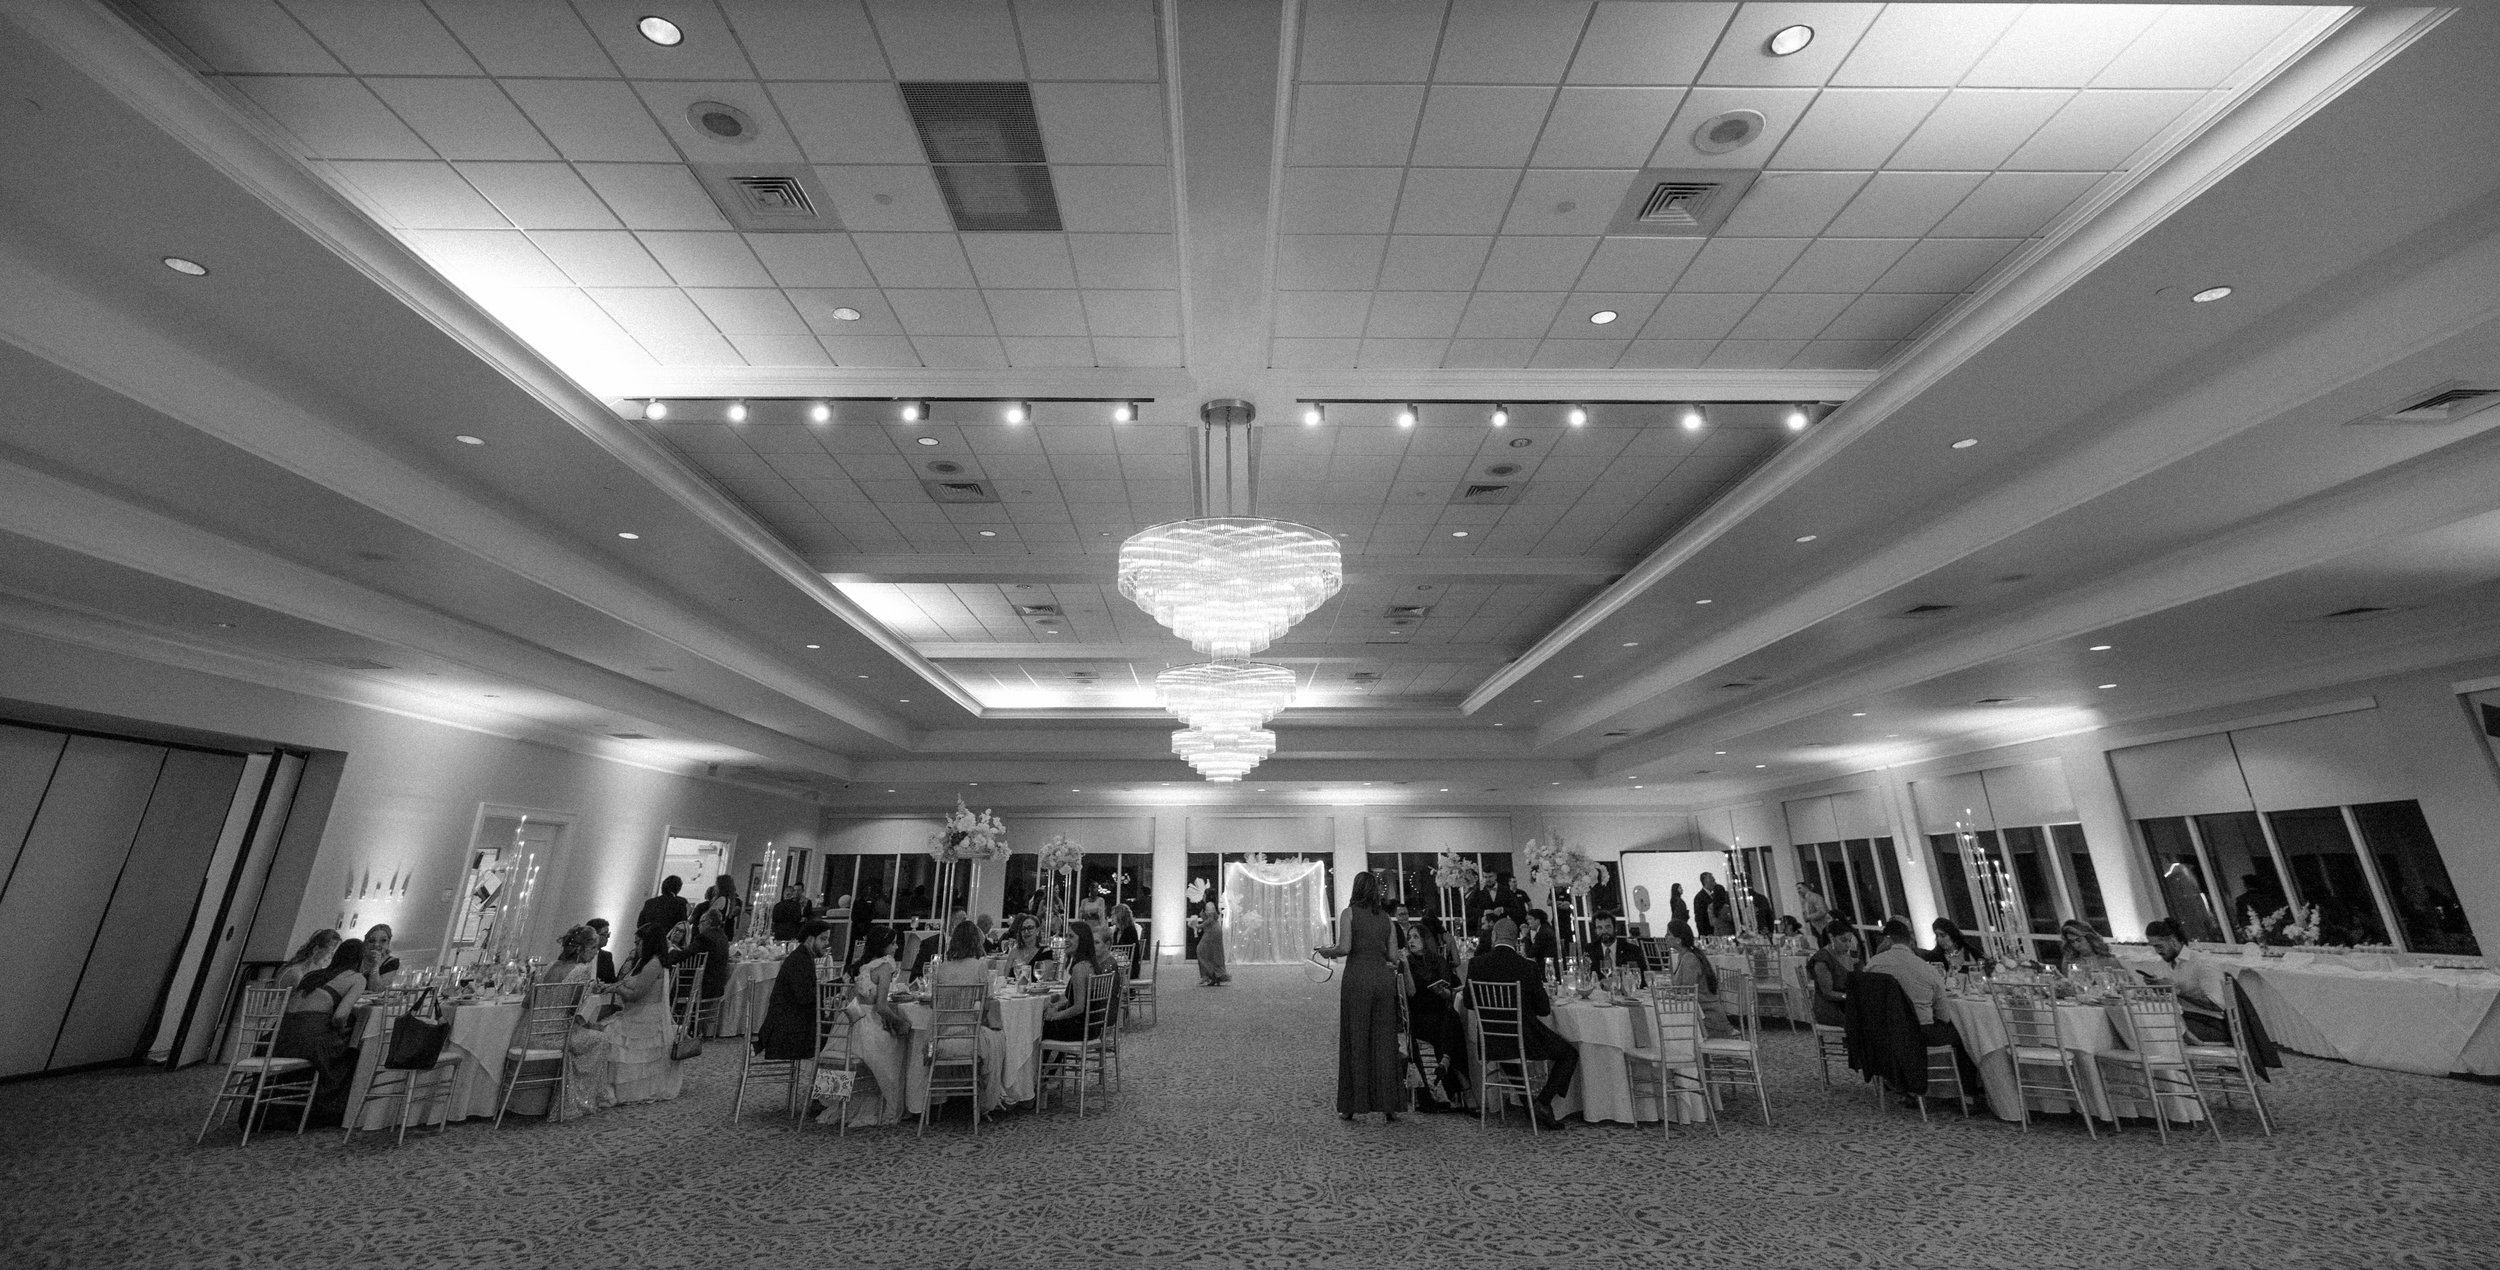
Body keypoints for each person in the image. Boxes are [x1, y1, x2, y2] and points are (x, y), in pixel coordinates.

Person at [1462, 919, 1577, 1131]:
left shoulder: (1476, 964)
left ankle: (1529, 1105)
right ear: (1516, 940)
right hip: (1524, 1037)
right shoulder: (1528, 967)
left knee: (1508, 1055)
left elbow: (1468, 1003)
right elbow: (1543, 1009)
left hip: (1491, 1040)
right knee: (1569, 1054)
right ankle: (1543, 1102)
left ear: (1494, 937)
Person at [1314, 871, 1406, 1123]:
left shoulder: (1349, 913)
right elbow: (1394, 957)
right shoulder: (1387, 919)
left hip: (1357, 980)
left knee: (1356, 1038)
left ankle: (1353, 1105)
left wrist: (1325, 951)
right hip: (1382, 981)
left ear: (1356, 889)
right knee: (1385, 1040)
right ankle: (1389, 1105)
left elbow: (1345, 948)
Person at [272, 938, 366, 1128]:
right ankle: (328, 1113)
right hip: (309, 1040)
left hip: (279, 1037)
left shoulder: (315, 975)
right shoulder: (356, 978)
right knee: (353, 1051)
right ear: (359, 959)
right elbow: (339, 1016)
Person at [827, 925, 915, 1128]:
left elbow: (851, 1000)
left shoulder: (860, 966)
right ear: (883, 946)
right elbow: (882, 1007)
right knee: (900, 1044)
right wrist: (900, 1022)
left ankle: (841, 1104)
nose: (896, 947)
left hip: (847, 1026)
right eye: (893, 943)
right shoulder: (884, 967)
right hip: (867, 1026)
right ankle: (892, 1105)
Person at [927, 920, 1008, 1112]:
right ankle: (991, 1098)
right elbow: (986, 1003)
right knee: (1000, 1037)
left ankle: (949, 1098)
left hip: (940, 1039)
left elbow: (933, 1003)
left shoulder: (943, 967)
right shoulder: (979, 966)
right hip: (968, 1039)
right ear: (976, 941)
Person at [601, 924, 686, 1105]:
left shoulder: (654, 964)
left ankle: (620, 1089)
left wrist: (614, 989)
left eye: (638, 943)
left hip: (644, 1018)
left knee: (608, 1037)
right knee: (604, 1030)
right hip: (637, 1013)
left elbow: (635, 995)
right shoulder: (645, 963)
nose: (635, 947)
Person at [1402, 915, 1468, 1111]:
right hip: (1420, 1017)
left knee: (1450, 1019)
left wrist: (1442, 991)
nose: (1411, 941)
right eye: (1409, 938)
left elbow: (1449, 994)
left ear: (1425, 939)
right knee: (1452, 1023)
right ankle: (1459, 1085)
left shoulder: (1438, 961)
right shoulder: (1408, 963)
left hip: (1439, 1012)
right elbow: (1411, 992)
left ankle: (1445, 1061)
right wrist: (1405, 965)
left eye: (1415, 937)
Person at [755, 919, 835, 1062]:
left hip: (790, 1023)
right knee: (838, 1032)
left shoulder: (803, 956)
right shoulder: (800, 960)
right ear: (810, 939)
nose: (826, 944)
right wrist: (834, 988)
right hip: (788, 1031)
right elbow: (805, 997)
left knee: (836, 1026)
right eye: (823, 939)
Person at [1865, 918, 1955, 1043]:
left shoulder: (1873, 964)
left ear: (1888, 940)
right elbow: (1944, 1016)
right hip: (1920, 1034)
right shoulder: (1928, 969)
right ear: (1910, 940)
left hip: (1883, 1033)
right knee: (1961, 1034)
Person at [2142, 918, 2232, 1042]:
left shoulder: (2202, 963)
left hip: (2212, 1024)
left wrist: (2175, 991)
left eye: (2159, 946)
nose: (2157, 951)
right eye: (2154, 947)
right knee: (2146, 1022)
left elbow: (2218, 1005)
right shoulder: (2166, 964)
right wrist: (2159, 989)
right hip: (2184, 1019)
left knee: (2157, 1028)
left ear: (2173, 941)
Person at [1665, 919, 1734, 1037]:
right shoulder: (1683, 956)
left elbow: (1687, 992)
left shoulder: (1690, 959)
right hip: (1701, 1014)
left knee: (1667, 1027)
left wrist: (1668, 993)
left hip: (1708, 1020)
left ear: (1678, 940)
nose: (1665, 937)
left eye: (1668, 934)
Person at [1042, 921, 1106, 1043]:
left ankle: (1041, 1062)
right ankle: (1053, 1062)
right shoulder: (1091, 965)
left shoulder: (1080, 968)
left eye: (1071, 936)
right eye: (1066, 936)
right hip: (1093, 1027)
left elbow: (1079, 1007)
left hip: (1081, 1029)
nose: (1066, 940)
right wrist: (1056, 1007)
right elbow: (1076, 1000)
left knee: (1039, 1025)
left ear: (1082, 940)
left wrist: (1054, 1016)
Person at [691, 877, 739, 1035]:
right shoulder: (730, 900)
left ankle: (690, 1023)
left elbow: (709, 915)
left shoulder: (720, 900)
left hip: (709, 978)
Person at [1807, 922, 1862, 1027]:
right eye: (1843, 940)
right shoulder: (1822, 959)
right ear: (1831, 937)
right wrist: (1849, 996)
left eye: (1850, 941)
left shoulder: (1845, 955)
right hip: (1830, 1008)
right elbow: (1828, 993)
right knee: (1866, 1019)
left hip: (1845, 1004)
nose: (1848, 945)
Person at [274, 928, 340, 990]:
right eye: (330, 952)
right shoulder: (295, 973)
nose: (330, 957)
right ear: (316, 949)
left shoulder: (314, 970)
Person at [1921, 919, 1989, 973]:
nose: (1939, 939)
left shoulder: (1970, 951)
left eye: (1943, 935)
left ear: (1952, 935)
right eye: (1937, 936)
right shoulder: (1935, 958)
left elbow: (1989, 968)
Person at [636, 876, 691, 942]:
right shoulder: (680, 902)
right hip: (667, 941)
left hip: (648, 940)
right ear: (678, 889)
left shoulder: (649, 902)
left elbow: (640, 924)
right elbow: (682, 924)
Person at [2059, 920, 2124, 973]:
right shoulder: (2069, 961)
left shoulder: (2109, 960)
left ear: (2089, 938)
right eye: (2072, 942)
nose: (2076, 945)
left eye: (2079, 940)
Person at [1196, 899, 1230, 986]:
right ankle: (1214, 977)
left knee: (1201, 950)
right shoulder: (1206, 905)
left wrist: (1200, 926)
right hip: (1212, 930)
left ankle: (1207, 975)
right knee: (1211, 953)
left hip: (1213, 931)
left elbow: (1210, 919)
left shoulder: (1209, 904)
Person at [1521, 908, 1560, 976]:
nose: (1528, 922)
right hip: (1551, 965)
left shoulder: (1543, 933)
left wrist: (1525, 936)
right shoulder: (1546, 929)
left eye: (1530, 919)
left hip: (1549, 969)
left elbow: (1530, 954)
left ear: (1538, 920)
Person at [586, 917, 619, 984]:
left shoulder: (607, 956)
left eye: (608, 934)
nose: (608, 937)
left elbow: (611, 981)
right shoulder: (578, 953)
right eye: (605, 934)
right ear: (594, 935)